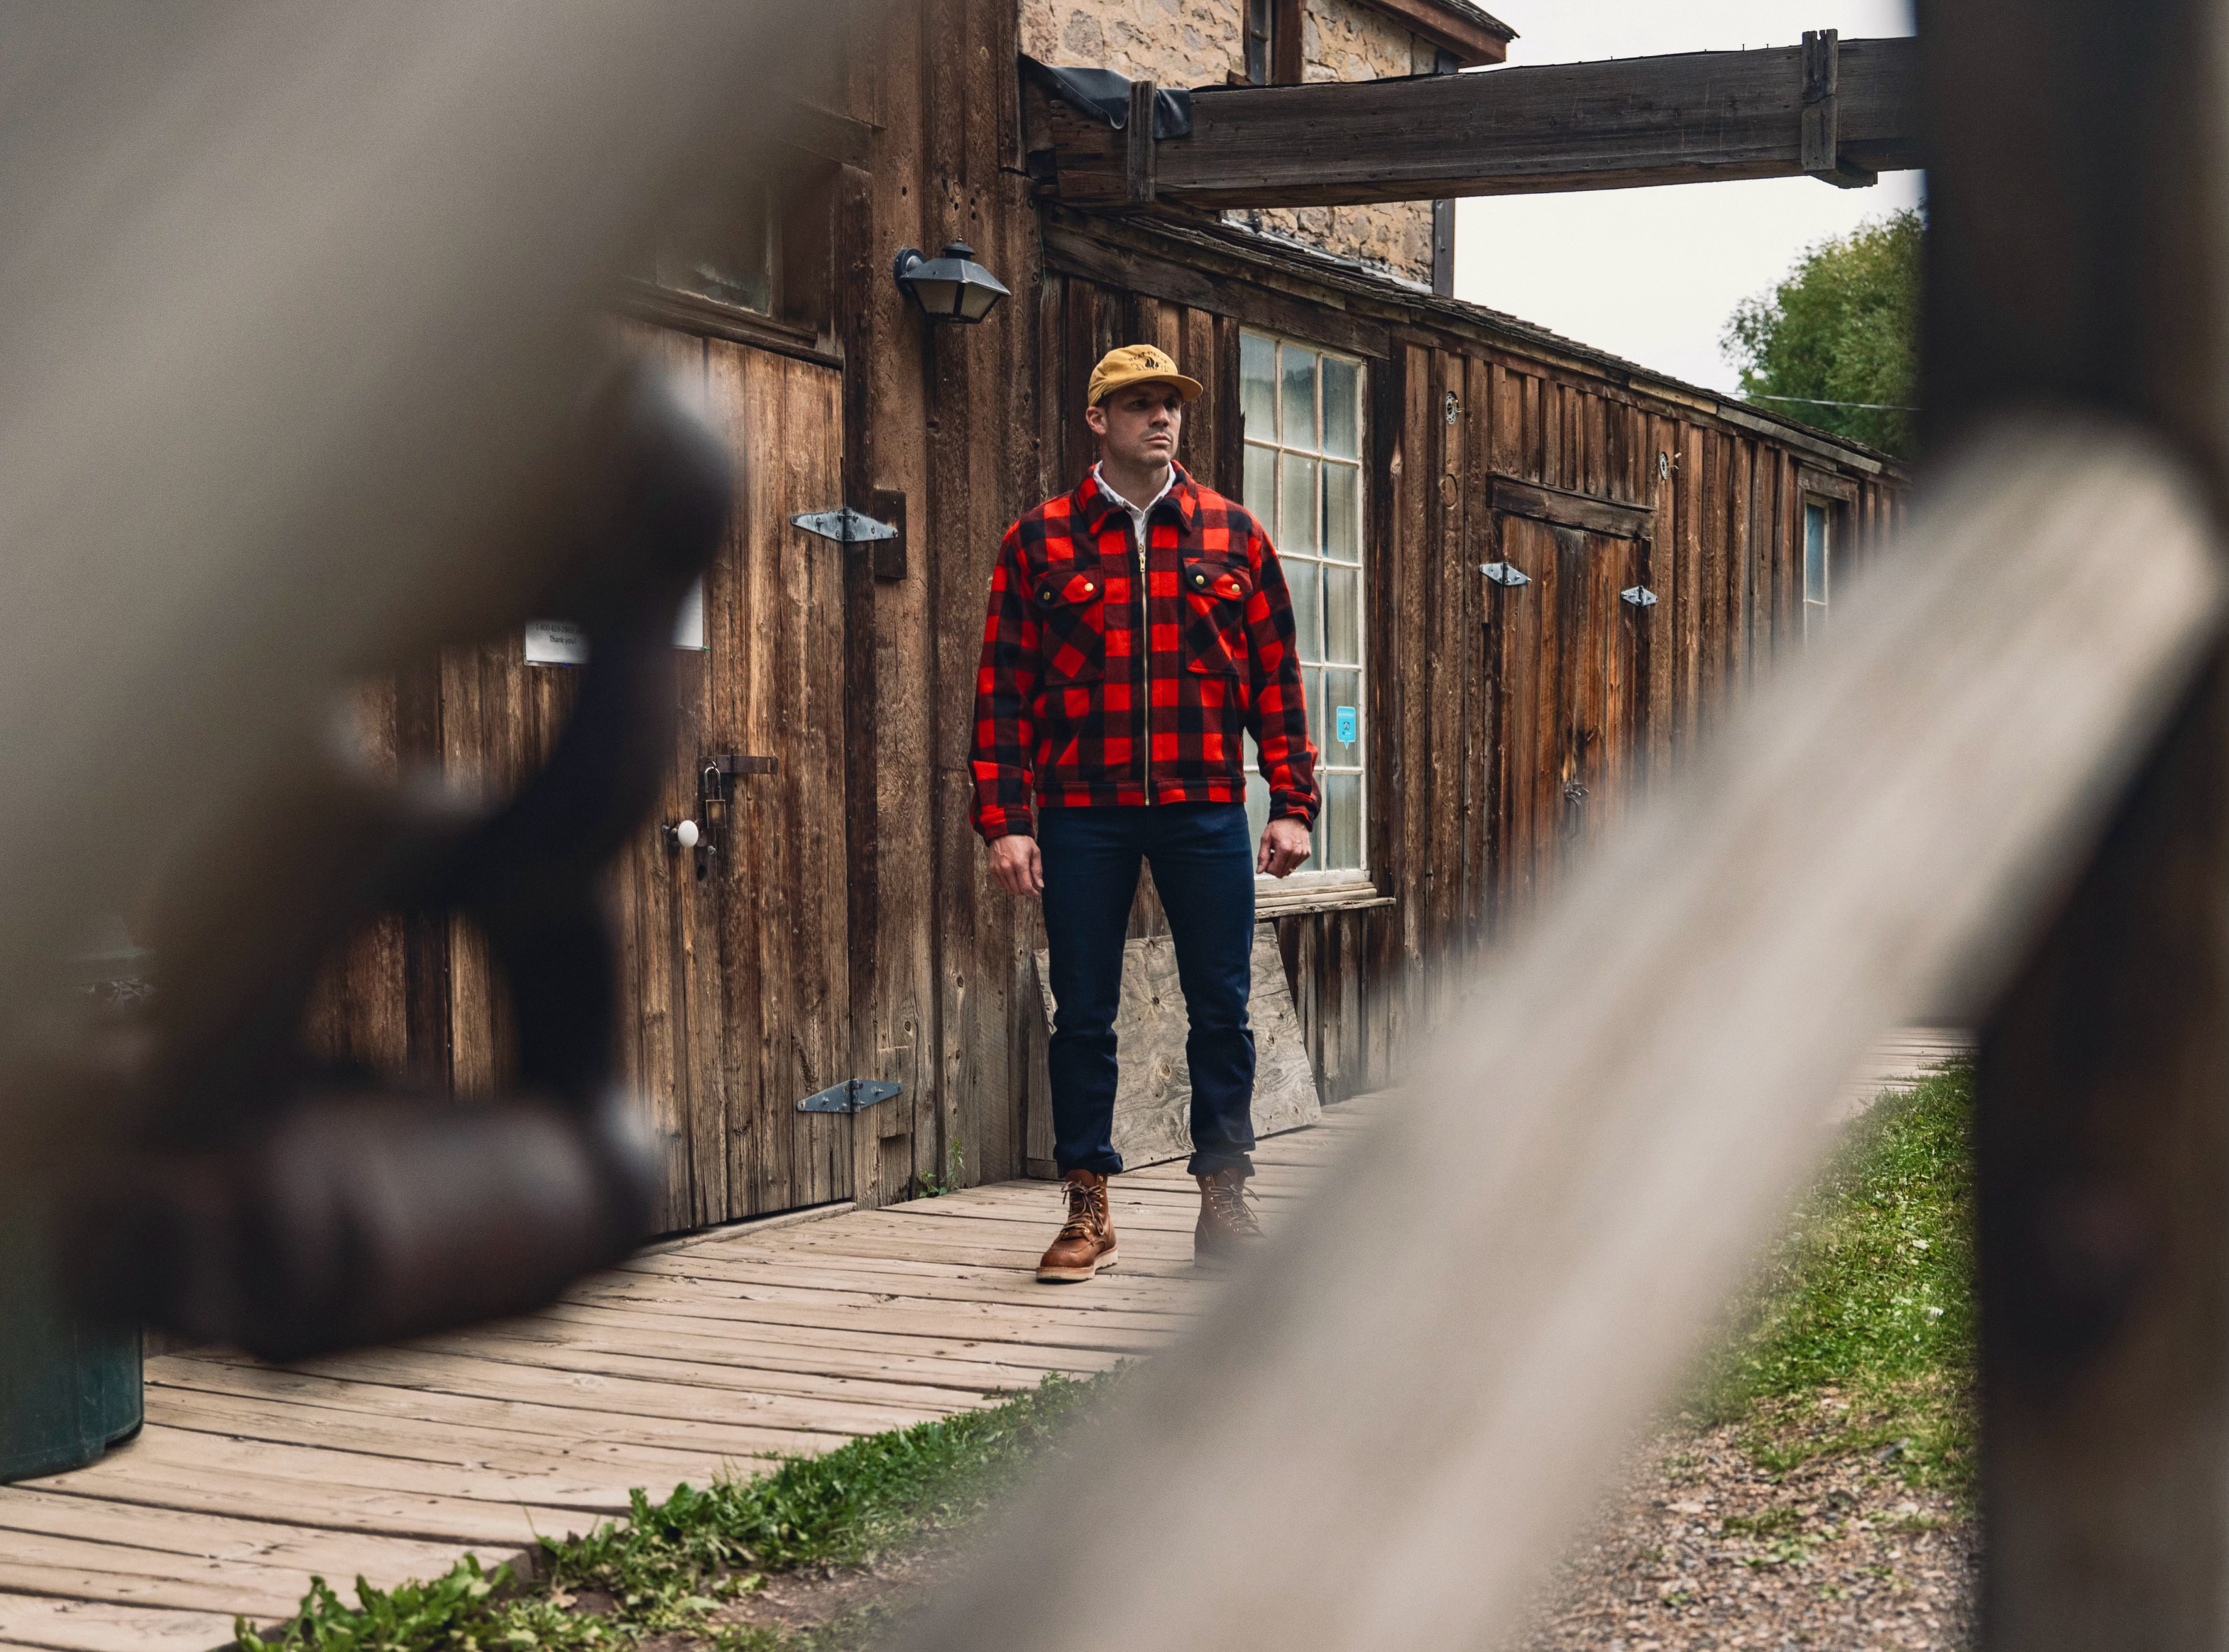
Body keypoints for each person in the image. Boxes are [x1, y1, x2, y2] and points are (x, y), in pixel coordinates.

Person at [969, 343, 1319, 1283]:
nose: (1159, 418)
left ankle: (1224, 1197)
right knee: (1080, 1014)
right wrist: (1006, 818)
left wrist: (1291, 801)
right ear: (1099, 419)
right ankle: (1088, 1205)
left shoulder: (1232, 535)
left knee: (1223, 1008)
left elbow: (1277, 681)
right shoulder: (1040, 540)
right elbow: (1003, 690)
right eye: (1137, 404)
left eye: (1169, 403)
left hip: (1204, 807)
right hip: (1083, 811)